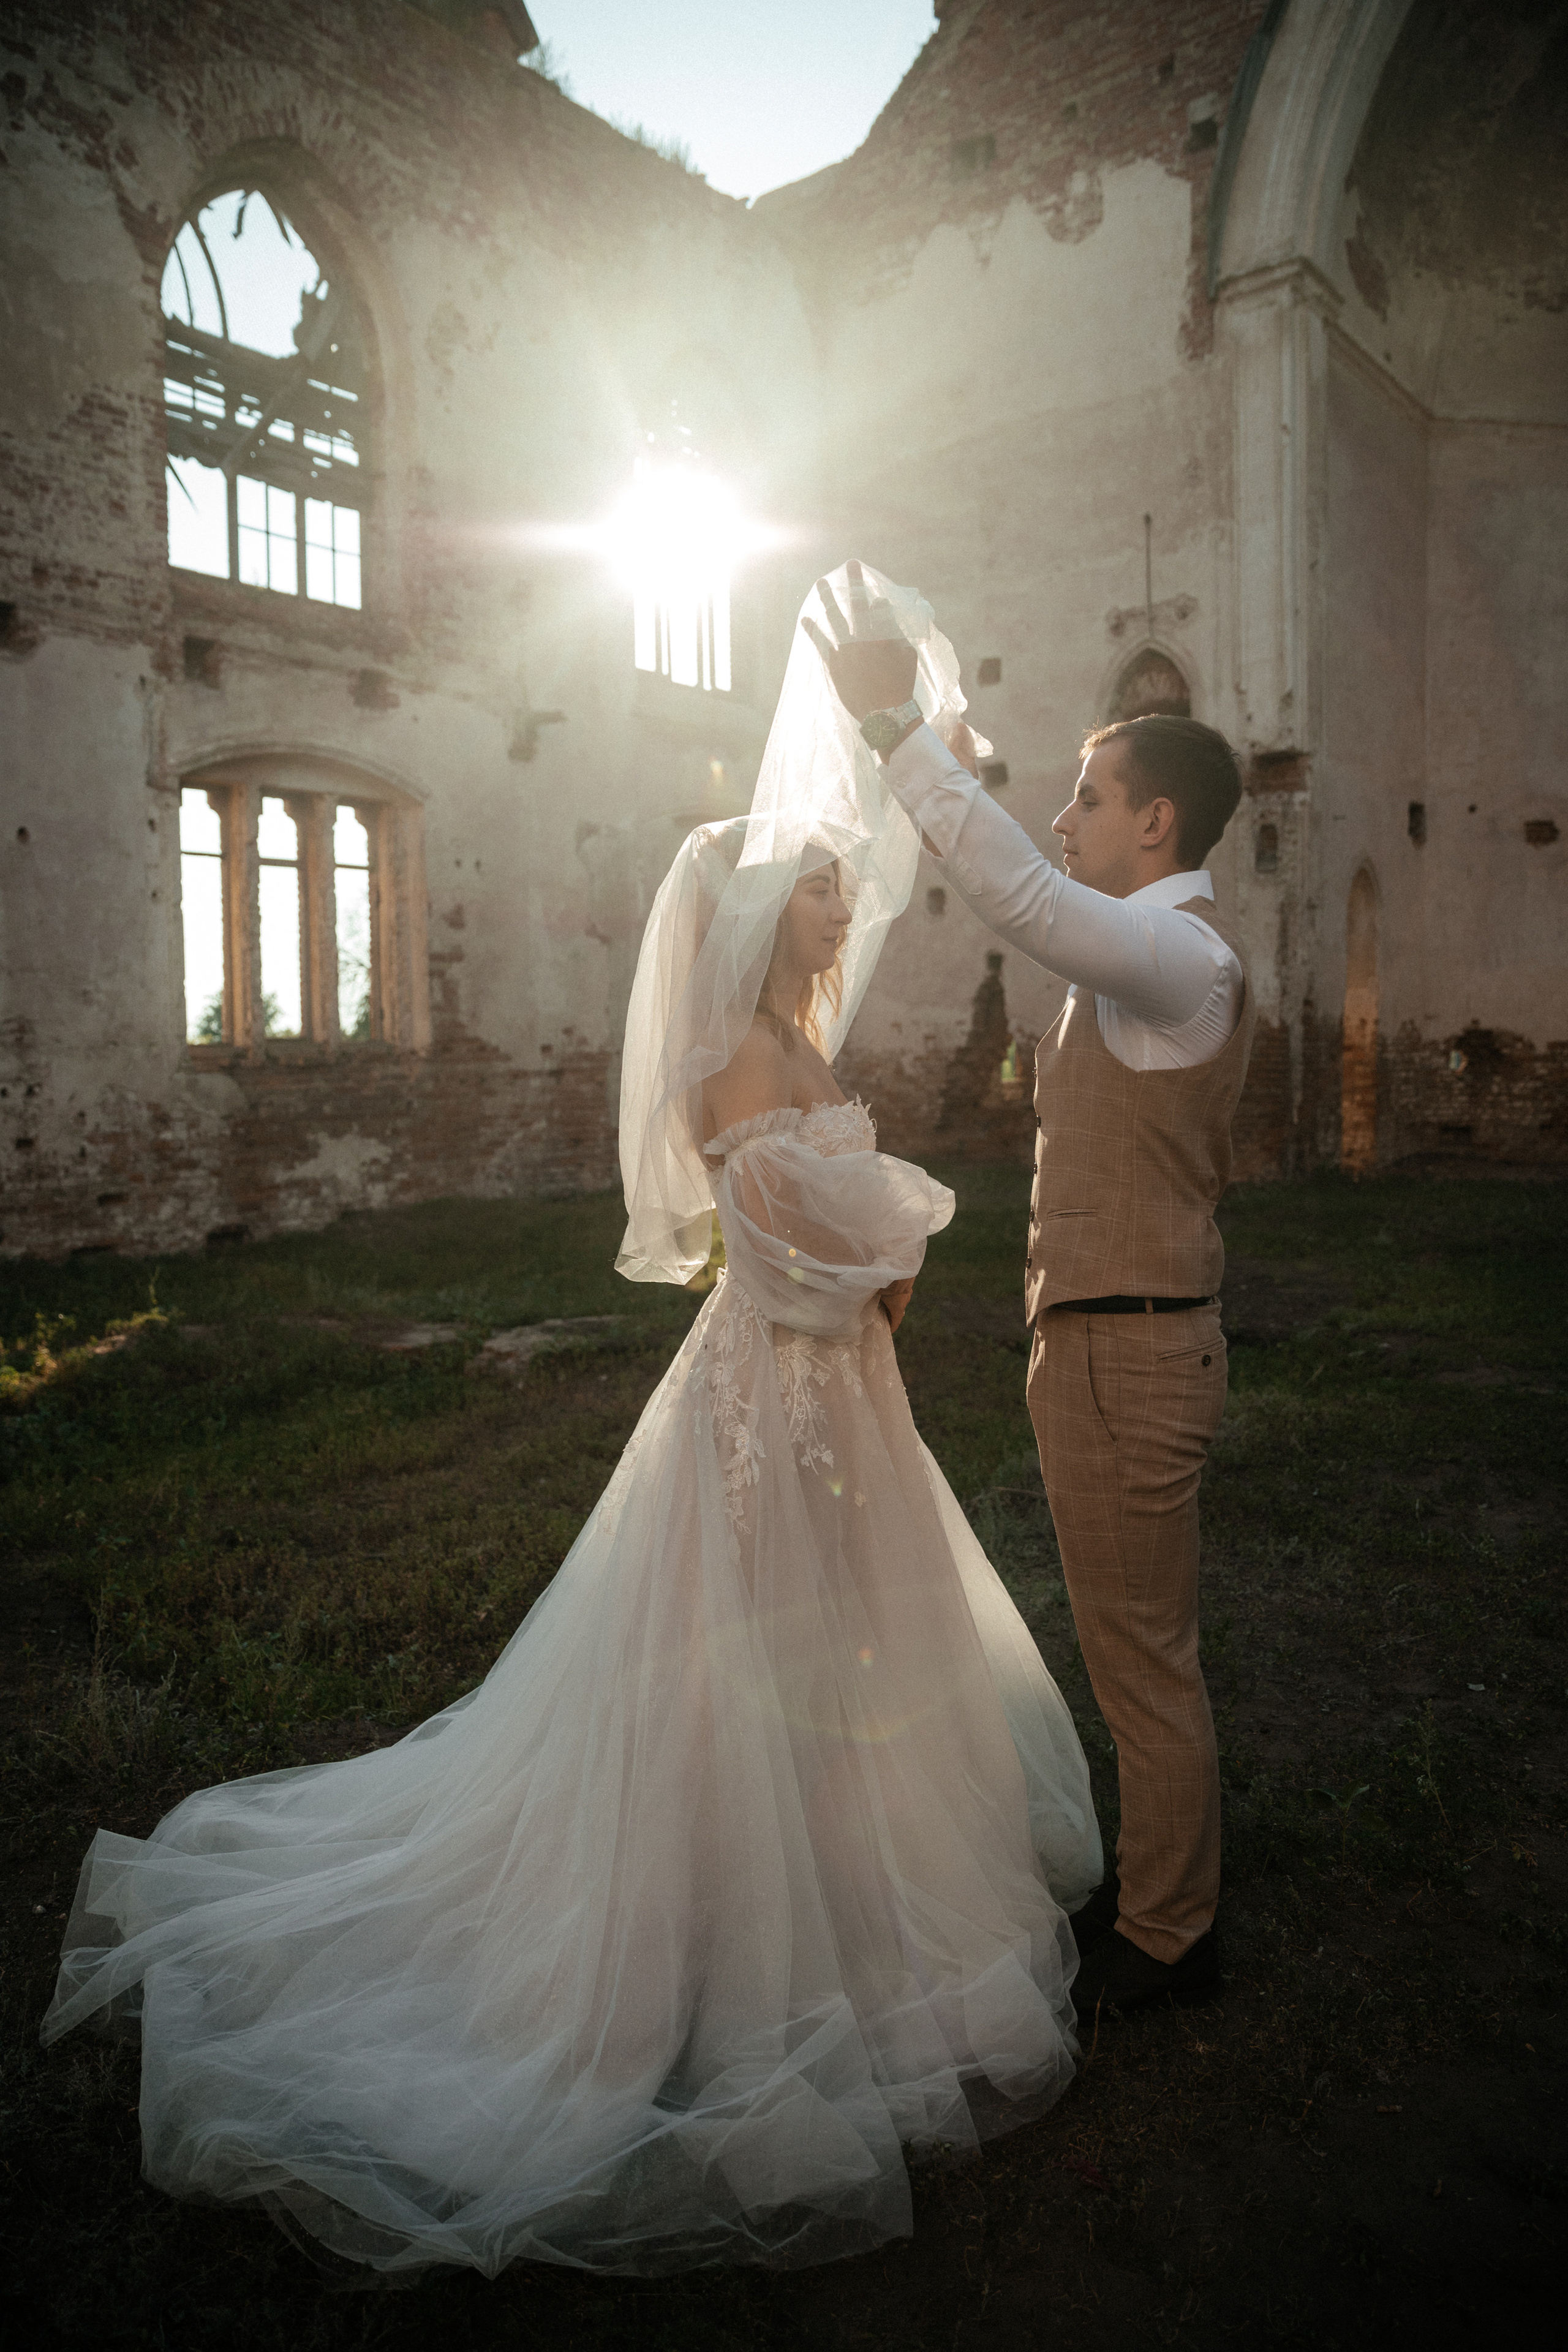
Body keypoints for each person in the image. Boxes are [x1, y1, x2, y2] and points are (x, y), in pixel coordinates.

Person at [41, 565, 1102, 2282]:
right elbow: (780, 1250)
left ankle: (855, 1910)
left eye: (837, 889)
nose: (844, 910)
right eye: (823, 894)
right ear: (766, 922)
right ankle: (710, 1947)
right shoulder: (738, 1071)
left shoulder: (792, 1045)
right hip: (781, 1398)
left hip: (839, 1401)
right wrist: (896, 1238)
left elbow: (831, 1233)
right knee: (737, 1657)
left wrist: (875, 1235)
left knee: (844, 1658)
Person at [806, 563, 1254, 2015]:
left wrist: (897, 737)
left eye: (1086, 796)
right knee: (1136, 1654)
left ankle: (1164, 1938)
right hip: (1107, 1348)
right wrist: (968, 753)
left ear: (1155, 824)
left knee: (1140, 1666)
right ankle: (1160, 1901)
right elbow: (1038, 875)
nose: (1064, 823)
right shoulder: (1143, 953)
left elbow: (1014, 888)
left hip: (1130, 1358)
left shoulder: (1176, 955)